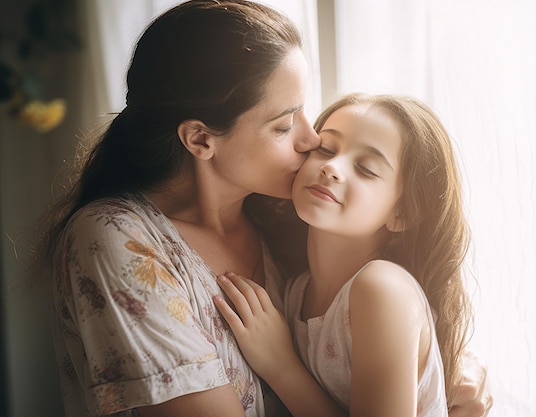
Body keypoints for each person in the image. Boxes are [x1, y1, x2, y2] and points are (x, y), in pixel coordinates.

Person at [31, 0, 491, 416]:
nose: (311, 140)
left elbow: (383, 303)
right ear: (200, 139)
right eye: (284, 124)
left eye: (305, 112)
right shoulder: (117, 239)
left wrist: (448, 363)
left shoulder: (282, 220)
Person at [214, 92, 489, 416]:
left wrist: (281, 367)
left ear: (403, 214)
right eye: (325, 149)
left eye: (367, 169)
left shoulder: (382, 287)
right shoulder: (295, 291)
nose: (332, 167)